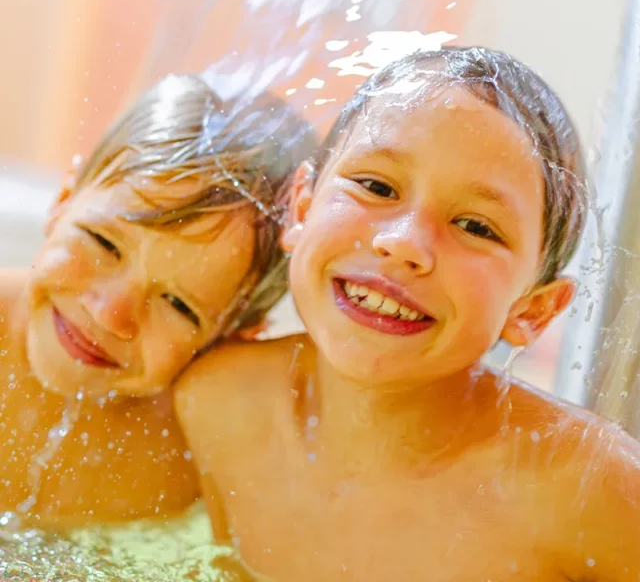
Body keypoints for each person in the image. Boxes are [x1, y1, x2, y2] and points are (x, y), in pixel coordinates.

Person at [175, 47, 640, 581]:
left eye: (476, 226)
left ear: (533, 310)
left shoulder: (584, 490)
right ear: (301, 208)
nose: (404, 243)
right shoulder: (218, 405)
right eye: (376, 186)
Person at [0, 73, 316, 528]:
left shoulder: (196, 461)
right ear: (63, 202)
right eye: (103, 243)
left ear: (233, 338)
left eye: (178, 304)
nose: (111, 314)